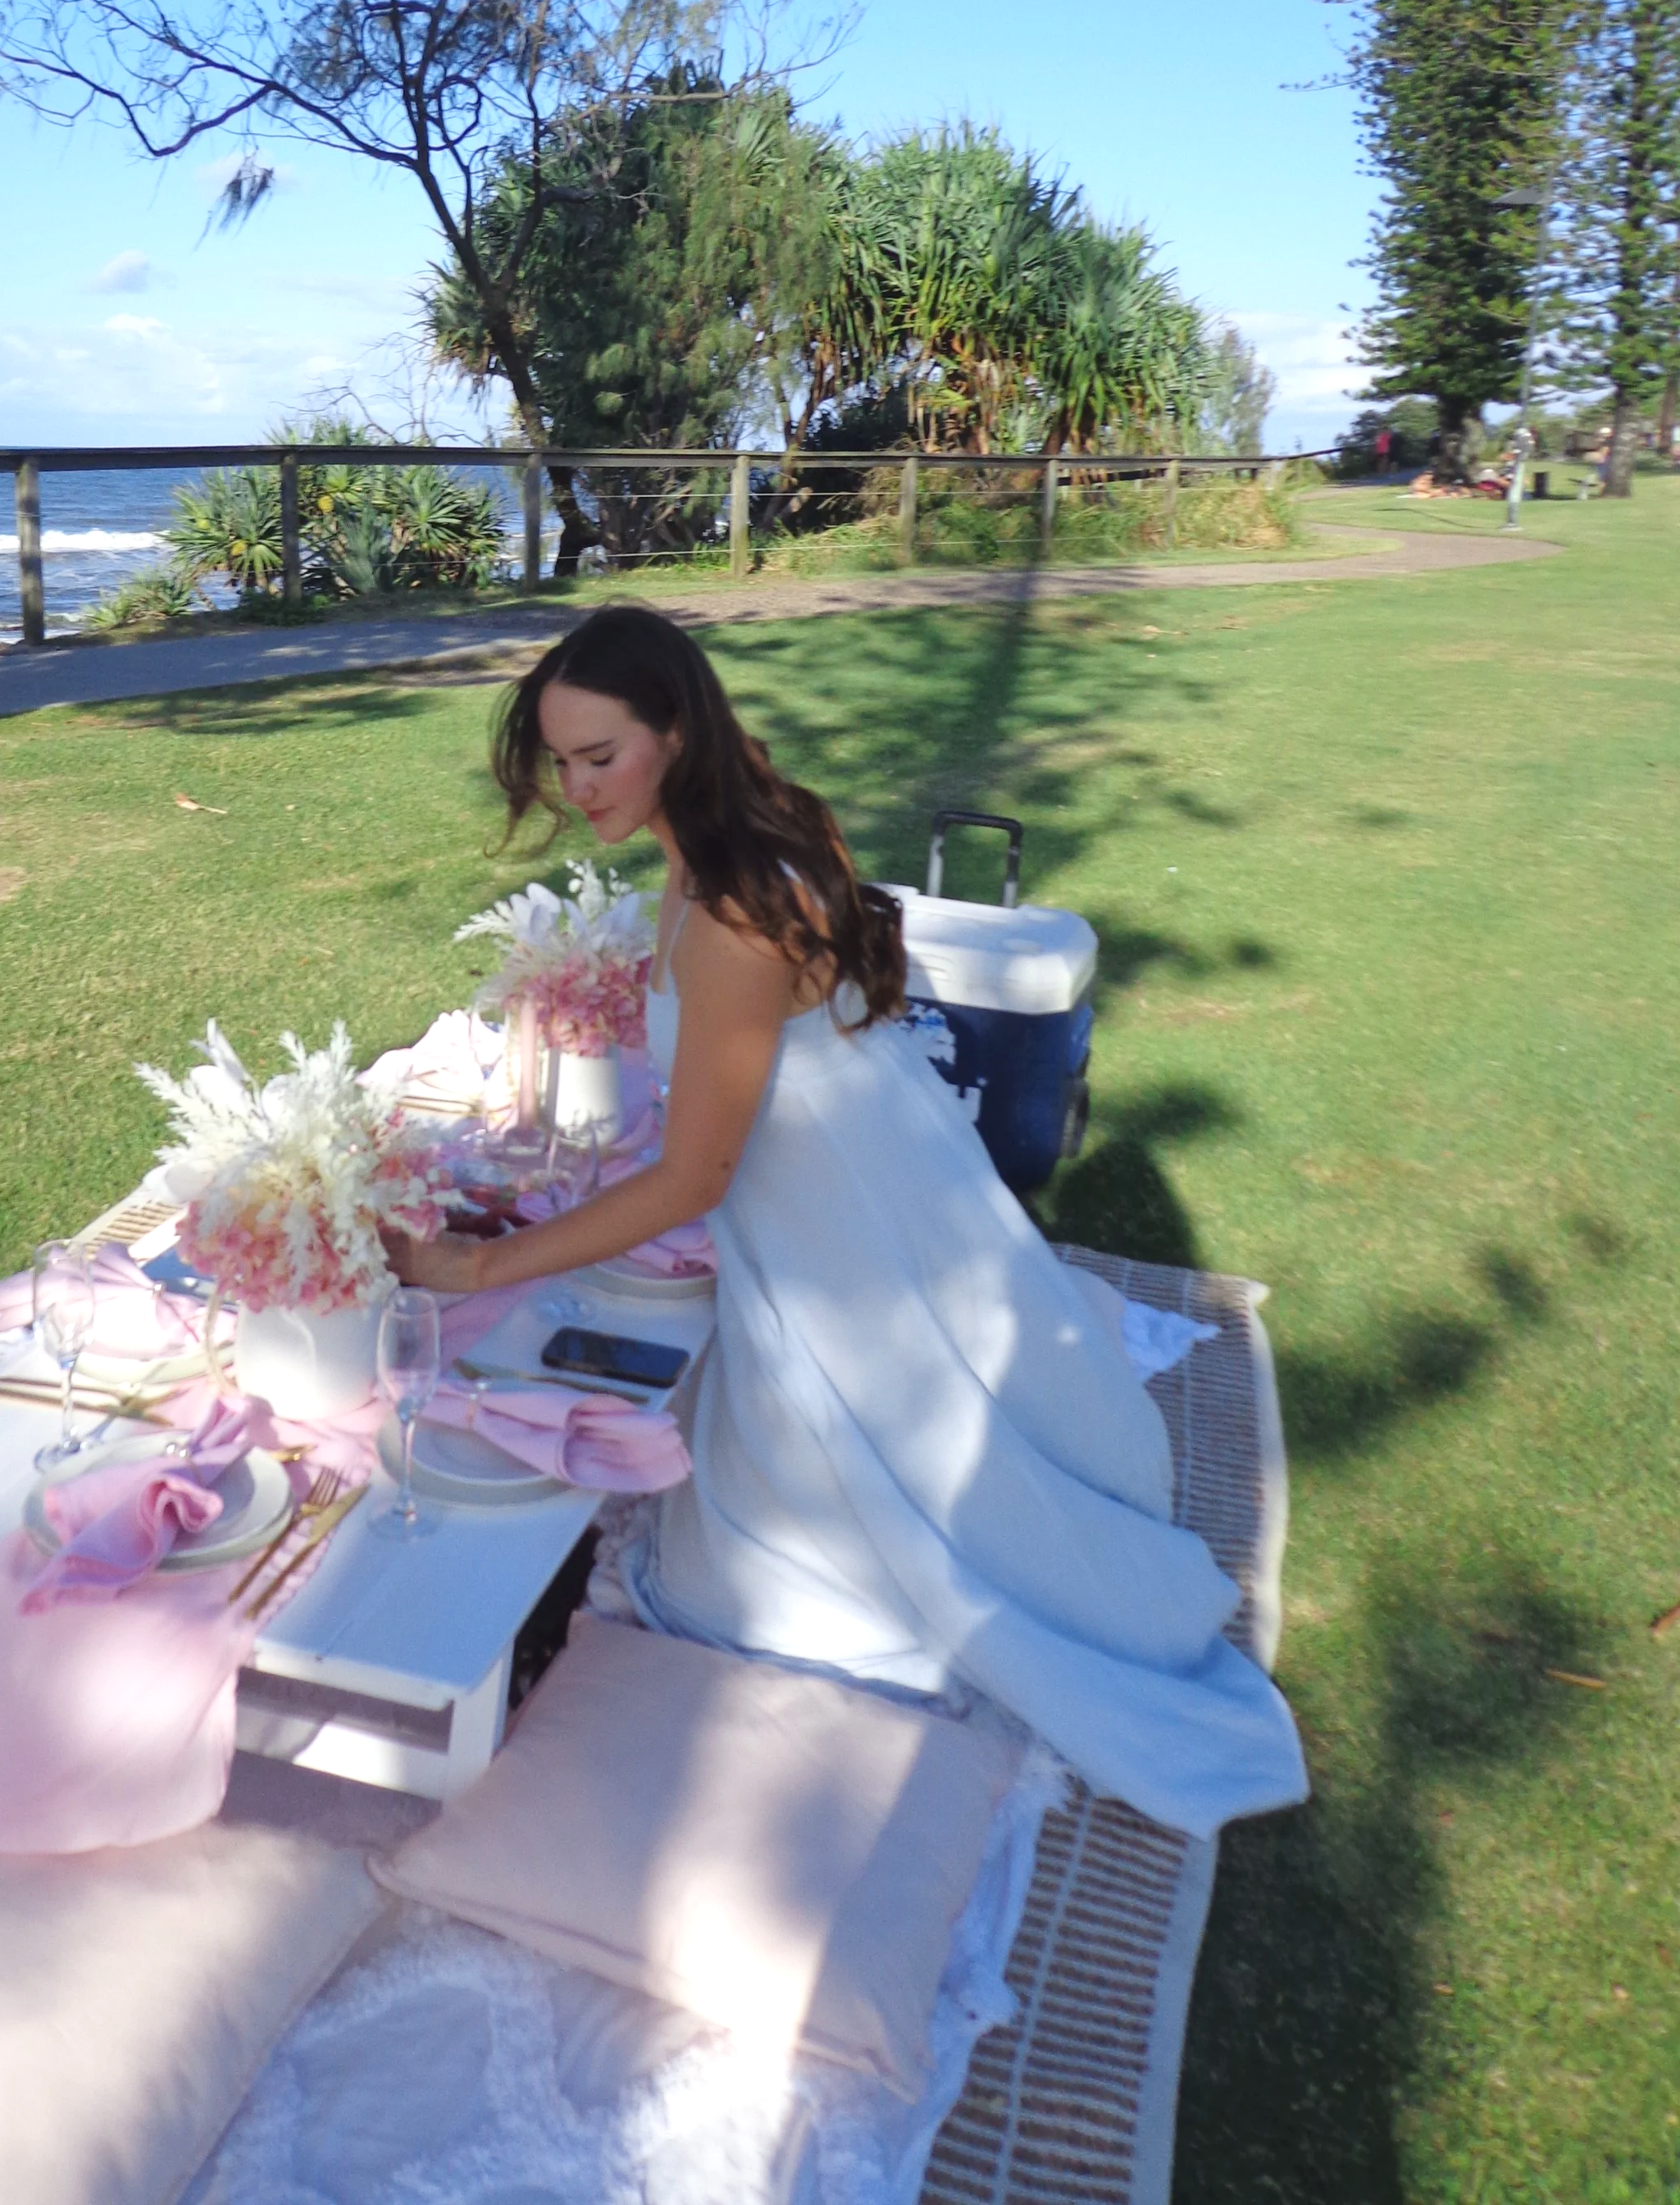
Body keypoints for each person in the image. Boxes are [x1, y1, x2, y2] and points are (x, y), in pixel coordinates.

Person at [389, 604, 1306, 1837]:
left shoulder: (726, 910)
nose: (575, 786)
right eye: (562, 762)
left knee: (766, 1574)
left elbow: (695, 1180)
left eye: (599, 756)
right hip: (872, 1189)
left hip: (847, 1235)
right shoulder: (726, 840)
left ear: (675, 730)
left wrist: (476, 1261)